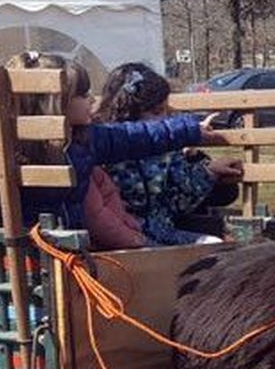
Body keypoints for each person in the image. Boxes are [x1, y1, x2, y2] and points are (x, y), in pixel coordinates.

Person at [0, 52, 228, 237]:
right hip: (30, 246)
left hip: (71, 243)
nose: (91, 99)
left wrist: (190, 128)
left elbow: (138, 136)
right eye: (82, 94)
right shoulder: (12, 149)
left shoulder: (85, 139)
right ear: (55, 103)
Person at [97, 62, 243, 246]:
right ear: (128, 113)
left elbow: (179, 201)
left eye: (167, 111)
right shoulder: (106, 148)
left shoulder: (168, 149)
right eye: (157, 112)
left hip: (163, 231)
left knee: (212, 243)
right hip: (121, 236)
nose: (165, 119)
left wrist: (209, 172)